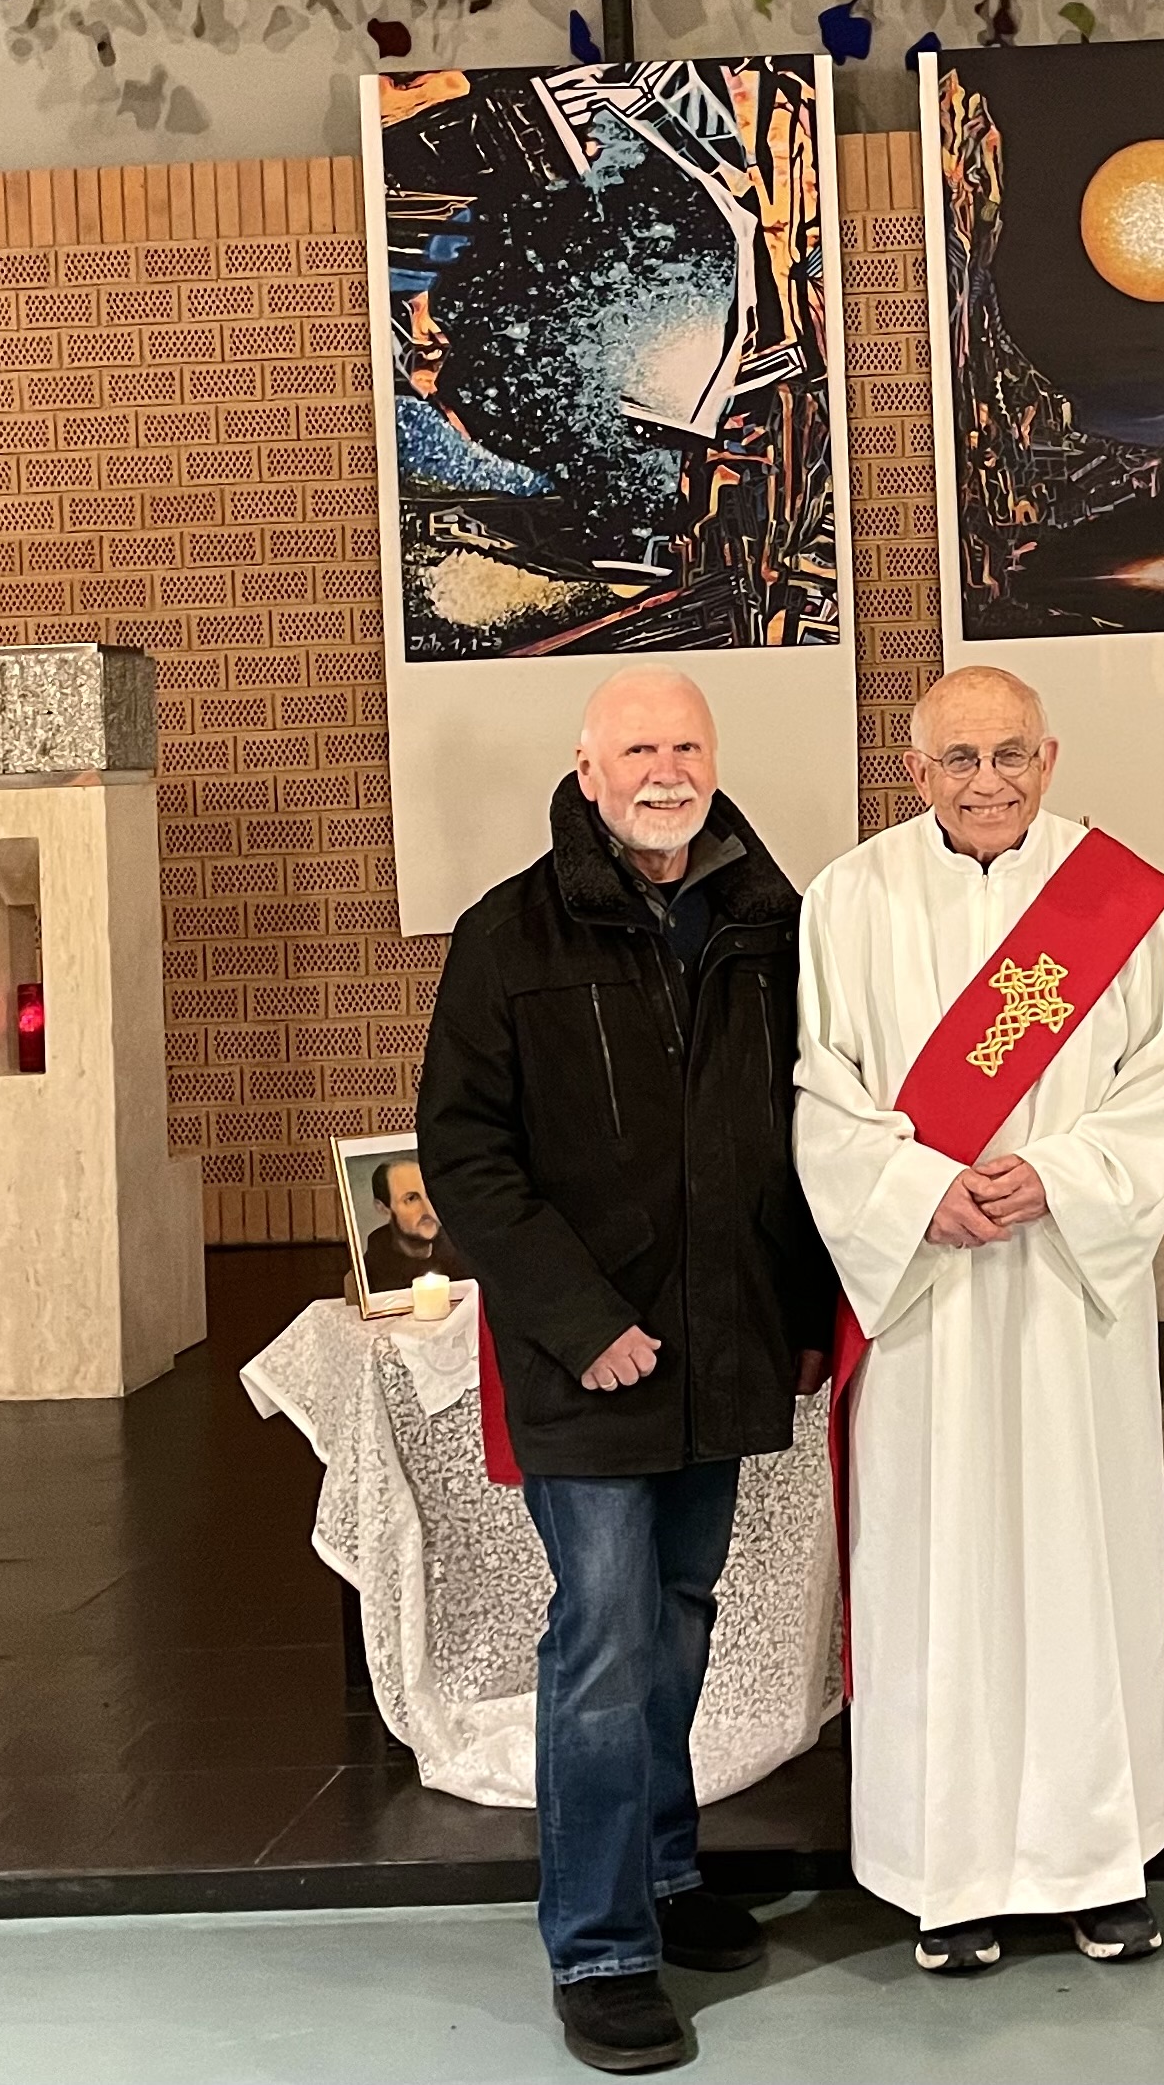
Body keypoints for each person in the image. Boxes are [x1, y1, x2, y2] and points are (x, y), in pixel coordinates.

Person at [418, 668, 839, 2077]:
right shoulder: (507, 933)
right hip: (584, 1361)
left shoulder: (772, 921)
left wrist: (799, 1313)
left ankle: (662, 1869)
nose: (667, 768)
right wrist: (582, 1319)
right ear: (586, 767)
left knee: (677, 1618)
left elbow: (808, 1132)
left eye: (687, 744)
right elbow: (464, 1152)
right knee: (601, 1637)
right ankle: (598, 1946)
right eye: (639, 746)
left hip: (723, 1344)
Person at [791, 665, 1164, 1976]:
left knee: (1084, 1570)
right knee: (938, 1577)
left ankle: (1098, 1864)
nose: (987, 780)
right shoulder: (849, 899)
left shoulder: (1117, 903)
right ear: (915, 770)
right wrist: (917, 1190)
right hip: (928, 1298)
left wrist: (1064, 1175)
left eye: (1011, 753)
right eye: (959, 757)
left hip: (1069, 1295)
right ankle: (946, 1872)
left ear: (1050, 756)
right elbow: (819, 1093)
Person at [359, 1154, 470, 1294]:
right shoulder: (372, 1271)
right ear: (382, 1208)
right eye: (411, 1199)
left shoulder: (462, 1255)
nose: (428, 1209)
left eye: (430, 1194)